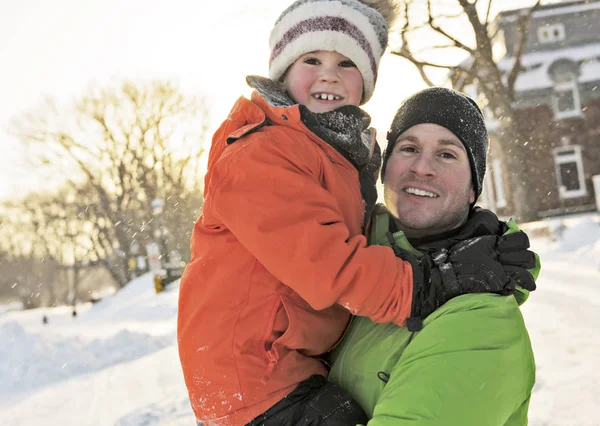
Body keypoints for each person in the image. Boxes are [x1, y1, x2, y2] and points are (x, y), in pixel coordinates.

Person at [177, 1, 535, 424]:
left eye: (346, 62)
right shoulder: (261, 155)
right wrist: (433, 283)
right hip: (255, 378)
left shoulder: (333, 157)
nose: (328, 73)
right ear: (282, 70)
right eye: (311, 59)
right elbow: (333, 265)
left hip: (283, 369)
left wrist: (488, 242)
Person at [328, 87, 540, 425]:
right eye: (409, 148)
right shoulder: (339, 256)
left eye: (447, 154)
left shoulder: (483, 323)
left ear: (473, 188)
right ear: (384, 169)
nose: (422, 168)